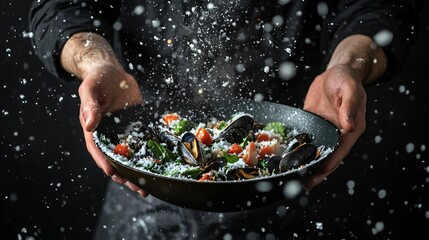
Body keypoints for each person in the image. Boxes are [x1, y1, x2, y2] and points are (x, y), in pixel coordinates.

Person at [29, 0, 418, 238]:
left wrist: (348, 65)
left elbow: (383, 6)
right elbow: (59, 6)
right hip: (145, 189)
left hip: (297, 186)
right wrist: (95, 61)